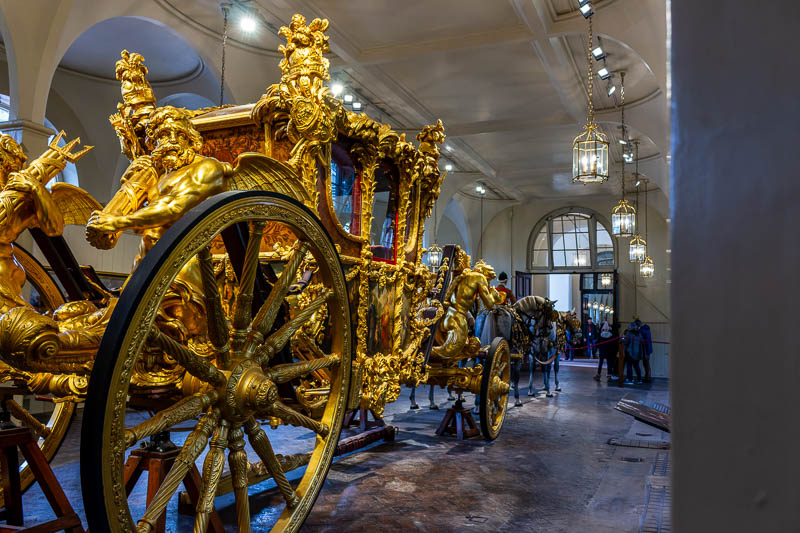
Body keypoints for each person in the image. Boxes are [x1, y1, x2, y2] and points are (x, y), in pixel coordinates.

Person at [623, 319, 644, 384]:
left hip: (630, 353)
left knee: (629, 366)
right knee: (636, 366)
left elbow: (625, 343)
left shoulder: (629, 334)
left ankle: (630, 379)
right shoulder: (640, 334)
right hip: (637, 353)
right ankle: (639, 379)